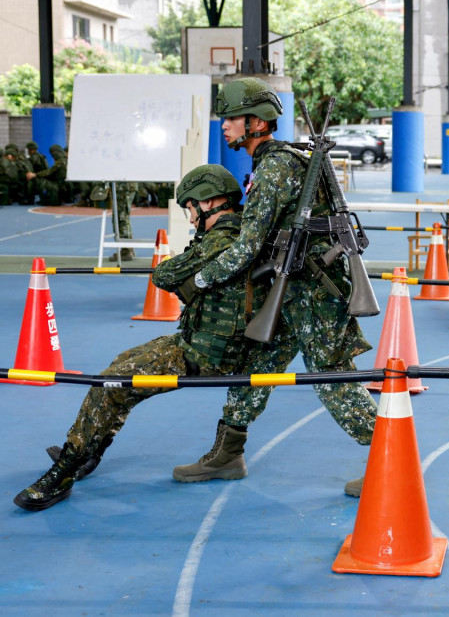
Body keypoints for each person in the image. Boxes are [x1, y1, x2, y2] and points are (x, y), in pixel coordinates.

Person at [14, 165, 262, 511]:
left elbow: (163, 274)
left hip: (206, 353)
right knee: (120, 372)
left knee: (113, 382)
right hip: (205, 343)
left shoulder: (222, 240)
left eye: (190, 207)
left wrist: (183, 267)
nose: (189, 217)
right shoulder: (245, 233)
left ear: (207, 203)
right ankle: (90, 451)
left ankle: (65, 470)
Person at [180, 76, 378, 496]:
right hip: (290, 288)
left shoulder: (275, 166)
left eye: (231, 118)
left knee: (331, 378)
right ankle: (227, 454)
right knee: (256, 368)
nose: (225, 126)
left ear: (256, 121)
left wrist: (199, 280)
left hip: (313, 293)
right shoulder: (283, 161)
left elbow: (249, 245)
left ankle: (392, 462)